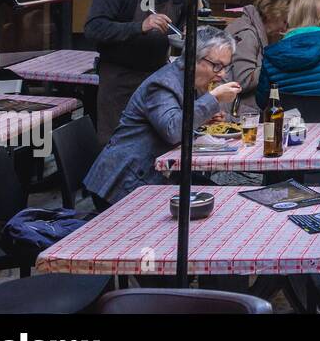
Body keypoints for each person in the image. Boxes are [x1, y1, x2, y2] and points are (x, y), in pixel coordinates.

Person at [83, 27, 242, 207]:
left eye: (225, 67)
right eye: (217, 66)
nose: (222, 74)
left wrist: (204, 117)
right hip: (123, 182)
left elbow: (181, 120)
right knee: (207, 204)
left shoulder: (190, 81)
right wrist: (213, 99)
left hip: (157, 174)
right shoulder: (162, 84)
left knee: (219, 198)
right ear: (193, 58)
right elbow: (172, 130)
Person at [84, 0, 187, 144]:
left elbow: (183, 18)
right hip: (120, 78)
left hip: (158, 75)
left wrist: (184, 31)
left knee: (156, 140)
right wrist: (139, 26)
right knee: (117, 142)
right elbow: (94, 28)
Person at [225, 0, 293, 110]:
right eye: (285, 22)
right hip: (240, 114)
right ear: (272, 14)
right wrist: (275, 64)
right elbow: (243, 80)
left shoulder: (256, 31)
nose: (284, 29)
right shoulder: (247, 34)